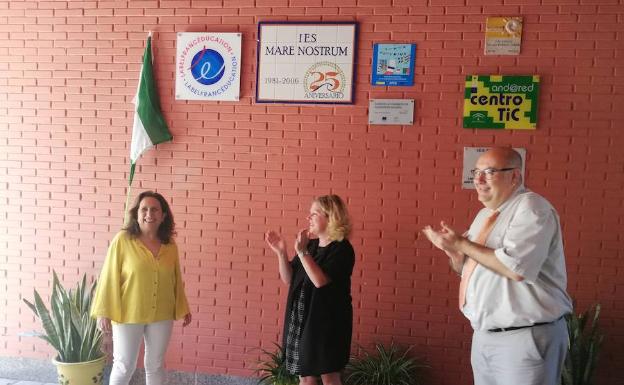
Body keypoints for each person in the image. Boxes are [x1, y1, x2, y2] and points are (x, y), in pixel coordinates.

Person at [422, 147, 572, 385]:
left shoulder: (532, 207)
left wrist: (462, 243)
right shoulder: (485, 215)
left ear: (515, 176)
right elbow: (472, 269)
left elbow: (516, 269)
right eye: (477, 172)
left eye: (490, 172)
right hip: (485, 337)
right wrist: (455, 254)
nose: (479, 180)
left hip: (525, 337)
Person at [91, 191, 192, 385]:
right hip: (128, 313)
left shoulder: (170, 246)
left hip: (162, 314)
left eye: (155, 209)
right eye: (144, 209)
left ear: (163, 216)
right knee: (124, 365)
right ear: (136, 214)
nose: (149, 214)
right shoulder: (122, 240)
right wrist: (104, 311)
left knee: (155, 365)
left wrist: (183, 307)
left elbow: (175, 279)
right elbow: (108, 276)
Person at [265, 195, 355, 385]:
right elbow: (289, 279)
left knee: (329, 375)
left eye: (314, 214)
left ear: (331, 217)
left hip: (328, 324)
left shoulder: (342, 249)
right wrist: (282, 253)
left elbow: (320, 281)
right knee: (305, 376)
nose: (309, 218)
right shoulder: (311, 246)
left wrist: (301, 252)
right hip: (303, 320)